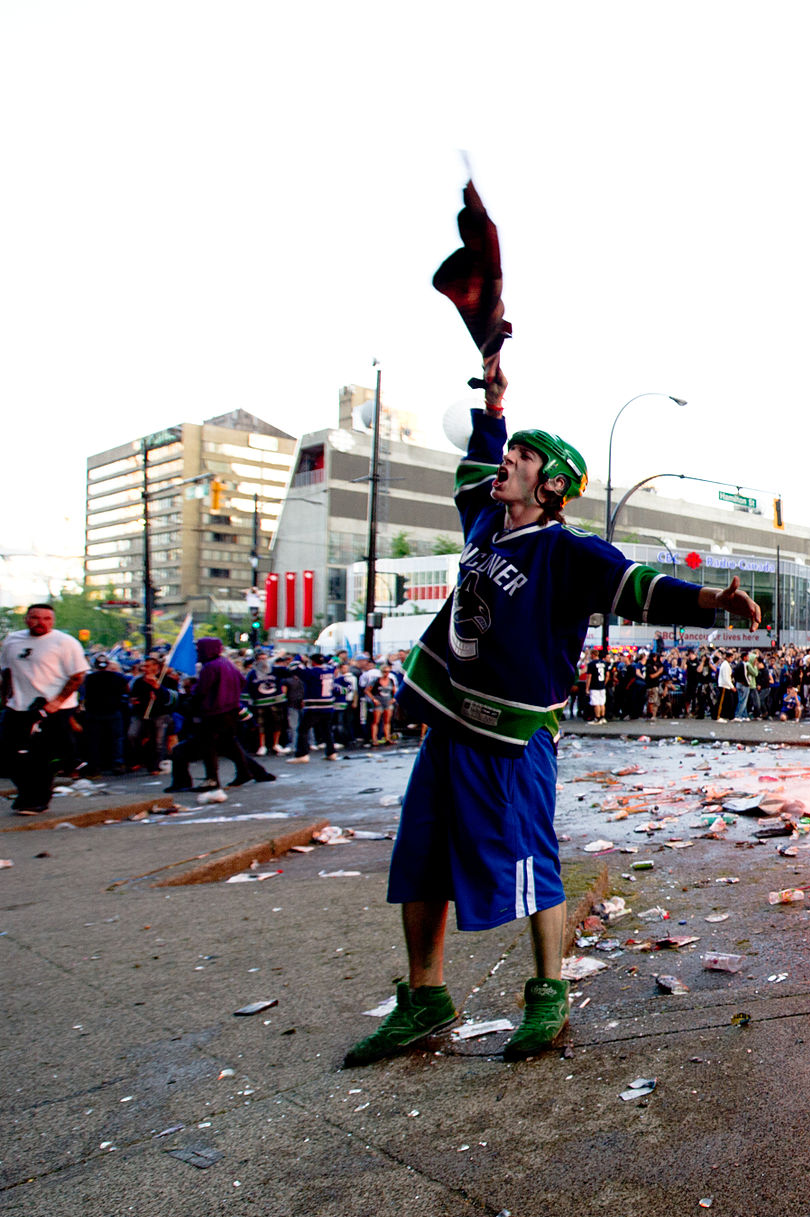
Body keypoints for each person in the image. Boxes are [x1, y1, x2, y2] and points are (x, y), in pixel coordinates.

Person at [348, 205, 763, 1070]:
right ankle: (424, 1000)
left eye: (523, 460)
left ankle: (548, 997)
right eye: (511, 458)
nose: (506, 466)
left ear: (554, 482)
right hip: (451, 725)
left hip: (513, 735)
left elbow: (643, 587)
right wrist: (494, 390)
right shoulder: (483, 525)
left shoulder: (570, 550)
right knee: (419, 863)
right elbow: (481, 448)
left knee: (531, 860)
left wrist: (718, 601)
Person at [0, 603, 88, 815]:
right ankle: (26, 793)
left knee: (41, 755)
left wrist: (57, 701)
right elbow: (6, 671)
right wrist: (4, 697)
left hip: (53, 706)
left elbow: (77, 675)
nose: (41, 623)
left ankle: (36, 800)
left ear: (53, 621)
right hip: (18, 705)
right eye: (35, 618)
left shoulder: (65, 642)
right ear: (26, 619)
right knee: (8, 753)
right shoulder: (12, 640)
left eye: (47, 619)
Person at [169, 637, 275, 792]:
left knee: (209, 746)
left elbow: (201, 691)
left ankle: (212, 779)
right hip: (229, 711)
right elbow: (241, 681)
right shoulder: (227, 664)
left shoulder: (210, 667)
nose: (197, 652)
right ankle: (249, 772)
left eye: (199, 649)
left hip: (214, 713)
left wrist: (194, 700)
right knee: (230, 745)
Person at [81, 654, 129, 775]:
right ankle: (117, 763)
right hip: (113, 711)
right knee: (116, 739)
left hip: (94, 712)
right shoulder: (118, 677)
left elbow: (83, 693)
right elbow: (127, 690)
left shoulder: (89, 678)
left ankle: (95, 766)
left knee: (94, 740)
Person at [291, 653, 340, 761]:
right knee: (327, 730)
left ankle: (302, 754)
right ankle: (331, 752)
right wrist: (324, 658)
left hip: (314, 706)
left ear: (312, 662)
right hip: (328, 705)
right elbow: (335, 660)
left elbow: (293, 667)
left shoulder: (311, 672)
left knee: (303, 730)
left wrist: (299, 657)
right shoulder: (330, 670)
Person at [245, 652, 290, 756]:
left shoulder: (275, 670)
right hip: (260, 702)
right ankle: (262, 745)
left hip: (276, 701)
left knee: (277, 723)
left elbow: (288, 673)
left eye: (265, 658)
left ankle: (276, 744)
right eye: (261, 658)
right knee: (261, 725)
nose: (263, 661)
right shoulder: (252, 673)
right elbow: (248, 687)